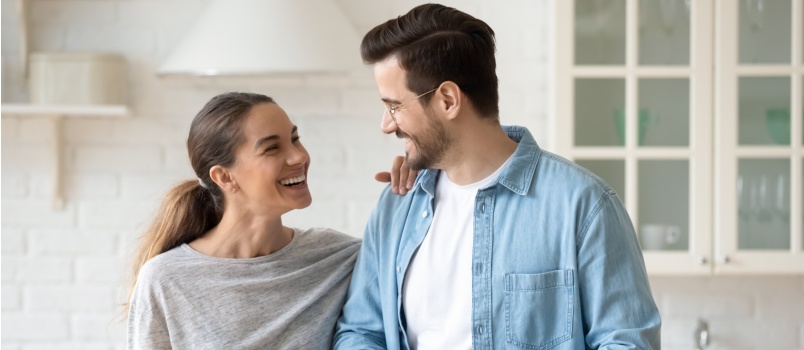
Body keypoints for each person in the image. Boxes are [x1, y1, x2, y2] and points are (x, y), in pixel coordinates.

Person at [334, 4, 661, 350]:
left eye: (394, 106)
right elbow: (359, 332)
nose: (386, 124)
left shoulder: (582, 205)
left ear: (448, 100)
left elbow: (627, 342)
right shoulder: (397, 205)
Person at [124, 92, 411, 349]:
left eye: (295, 139)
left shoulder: (337, 257)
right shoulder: (166, 279)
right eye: (272, 148)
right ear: (224, 177)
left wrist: (414, 181)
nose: (298, 156)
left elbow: (407, 259)